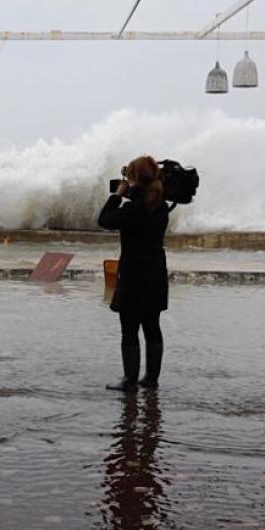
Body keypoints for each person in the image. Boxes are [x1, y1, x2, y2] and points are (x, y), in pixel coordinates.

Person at [97, 155, 172, 392]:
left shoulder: (133, 209)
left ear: (135, 180)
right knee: (152, 327)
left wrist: (117, 195)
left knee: (129, 329)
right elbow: (147, 199)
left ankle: (130, 381)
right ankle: (151, 379)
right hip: (156, 273)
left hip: (133, 274)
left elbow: (104, 220)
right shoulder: (161, 206)